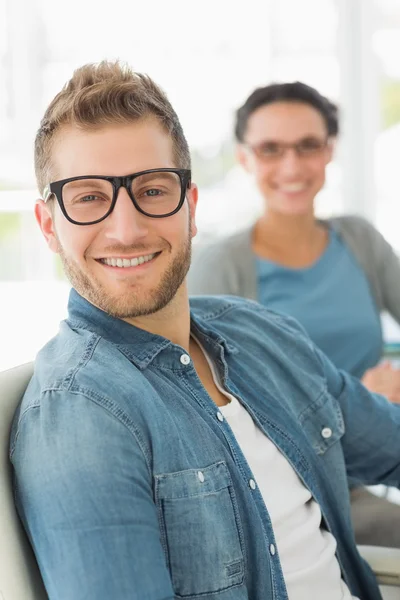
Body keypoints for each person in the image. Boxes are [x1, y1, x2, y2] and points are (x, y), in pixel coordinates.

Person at [9, 62, 400, 600]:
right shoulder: (81, 413)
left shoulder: (263, 334)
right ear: (50, 226)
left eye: (151, 190)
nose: (126, 230)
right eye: (89, 197)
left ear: (190, 208)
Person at [188, 81, 400, 548]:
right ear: (244, 158)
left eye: (308, 146)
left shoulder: (359, 240)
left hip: (376, 457)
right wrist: (360, 405)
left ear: (329, 151)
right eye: (270, 149)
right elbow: (212, 412)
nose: (292, 166)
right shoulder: (220, 267)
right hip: (295, 487)